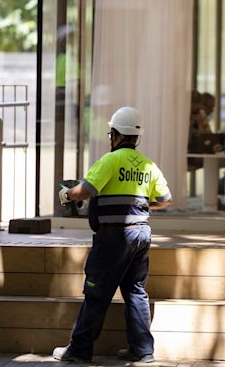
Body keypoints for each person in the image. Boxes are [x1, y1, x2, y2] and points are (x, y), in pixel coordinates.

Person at [53, 106, 172, 363]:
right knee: (136, 291)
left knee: (96, 292)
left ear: (115, 135)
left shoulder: (109, 161)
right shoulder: (148, 165)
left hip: (114, 239)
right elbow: (165, 199)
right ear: (136, 137)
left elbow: (84, 191)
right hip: (141, 235)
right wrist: (139, 204)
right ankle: (142, 350)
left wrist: (66, 194)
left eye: (111, 134)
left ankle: (80, 350)